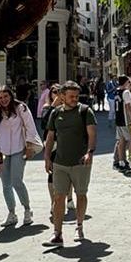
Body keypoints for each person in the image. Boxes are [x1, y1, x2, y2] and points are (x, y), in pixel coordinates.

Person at [41, 82, 97, 246]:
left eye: (76, 96)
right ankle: (57, 234)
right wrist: (47, 157)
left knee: (81, 194)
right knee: (58, 198)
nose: (74, 99)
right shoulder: (55, 113)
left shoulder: (85, 111)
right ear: (62, 96)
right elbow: (50, 137)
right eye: (71, 96)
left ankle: (79, 226)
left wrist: (90, 152)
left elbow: (92, 133)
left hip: (80, 162)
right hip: (60, 162)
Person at [0, 86, 39, 228]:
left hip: (18, 149)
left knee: (17, 180)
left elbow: (30, 127)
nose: (4, 100)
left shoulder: (20, 108)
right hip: (2, 152)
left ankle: (27, 209)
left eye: (6, 96)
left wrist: (29, 146)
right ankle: (11, 212)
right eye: (0, 98)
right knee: (5, 184)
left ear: (11, 95)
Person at [113, 76, 131, 171]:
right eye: (129, 82)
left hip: (118, 119)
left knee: (121, 141)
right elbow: (128, 107)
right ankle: (129, 160)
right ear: (126, 82)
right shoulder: (126, 92)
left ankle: (121, 161)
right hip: (125, 119)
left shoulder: (117, 91)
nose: (130, 84)